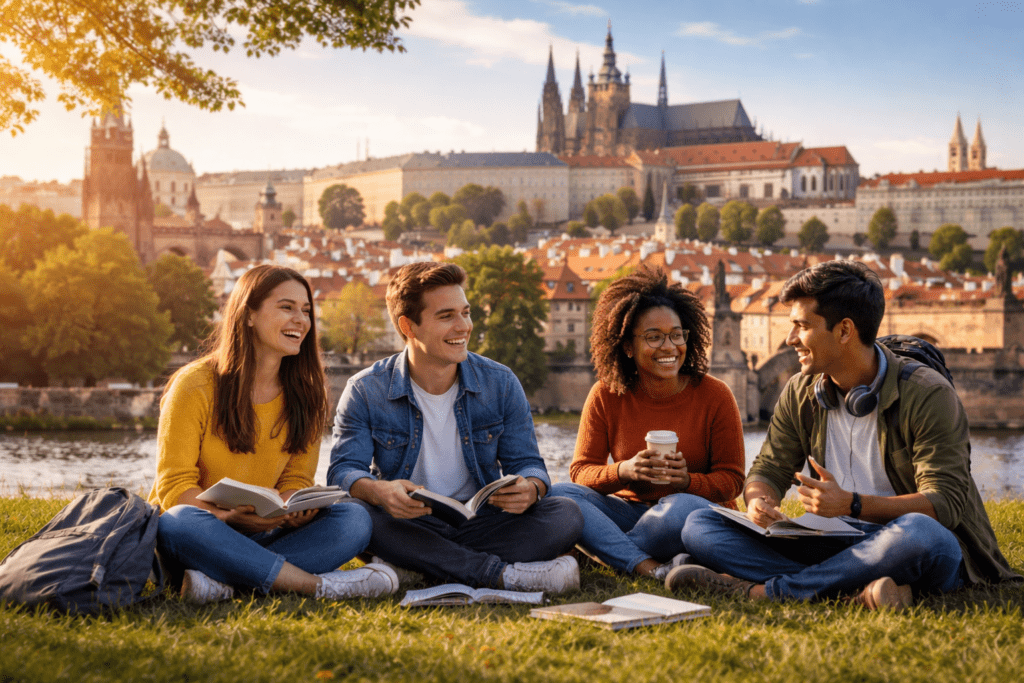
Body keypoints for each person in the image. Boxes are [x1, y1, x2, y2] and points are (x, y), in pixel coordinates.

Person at [670, 260, 1021, 609]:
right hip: (832, 542)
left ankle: (768, 591)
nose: (790, 339)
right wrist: (760, 501)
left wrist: (852, 504)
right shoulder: (800, 390)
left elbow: (944, 504)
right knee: (700, 525)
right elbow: (769, 468)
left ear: (844, 331)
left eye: (802, 326)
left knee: (923, 534)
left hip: (902, 541)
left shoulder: (927, 393)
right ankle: (859, 590)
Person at [328, 261, 584, 593]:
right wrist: (380, 492)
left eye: (466, 313)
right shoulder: (365, 389)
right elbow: (343, 470)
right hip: (407, 521)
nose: (463, 326)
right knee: (351, 511)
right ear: (409, 326)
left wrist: (532, 488)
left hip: (483, 522)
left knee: (565, 513)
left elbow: (527, 463)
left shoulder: (501, 382)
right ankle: (502, 576)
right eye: (446, 316)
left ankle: (419, 564)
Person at [151, 265, 398, 604]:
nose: (301, 320)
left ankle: (223, 583)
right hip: (204, 531)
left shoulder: (307, 394)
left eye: (306, 310)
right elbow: (174, 488)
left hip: (268, 533)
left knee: (354, 519)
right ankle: (316, 586)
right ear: (249, 315)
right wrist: (227, 517)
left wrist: (293, 508)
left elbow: (296, 479)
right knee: (178, 521)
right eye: (286, 307)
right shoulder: (194, 384)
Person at [548, 266, 745, 579]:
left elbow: (733, 481)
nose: (669, 347)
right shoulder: (606, 394)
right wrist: (623, 471)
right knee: (559, 493)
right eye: (654, 337)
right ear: (628, 346)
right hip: (631, 513)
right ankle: (649, 566)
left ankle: (609, 552)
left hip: (693, 516)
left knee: (679, 508)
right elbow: (581, 472)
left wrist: (687, 481)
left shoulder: (715, 394)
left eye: (676, 335)